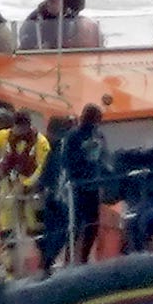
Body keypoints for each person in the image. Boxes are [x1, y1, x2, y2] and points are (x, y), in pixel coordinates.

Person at [0, 114, 51, 276]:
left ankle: (46, 265)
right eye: (16, 127)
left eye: (21, 127)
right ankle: (9, 271)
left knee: (36, 229)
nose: (18, 130)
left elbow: (43, 167)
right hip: (8, 191)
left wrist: (27, 184)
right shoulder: (5, 136)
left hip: (30, 194)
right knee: (7, 231)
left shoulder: (41, 143)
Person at [61, 103, 110, 263]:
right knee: (75, 225)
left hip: (94, 185)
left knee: (93, 224)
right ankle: (69, 258)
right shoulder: (73, 136)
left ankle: (84, 257)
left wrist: (106, 172)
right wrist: (83, 152)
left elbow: (104, 157)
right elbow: (66, 161)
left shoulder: (99, 135)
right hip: (78, 186)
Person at [34, 115, 76, 275]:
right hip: (58, 197)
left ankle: (46, 262)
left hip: (53, 196)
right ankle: (46, 262)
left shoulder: (54, 146)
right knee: (58, 231)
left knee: (52, 230)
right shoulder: (58, 147)